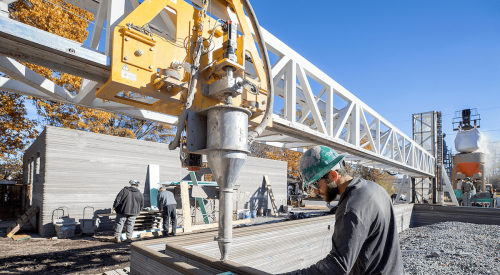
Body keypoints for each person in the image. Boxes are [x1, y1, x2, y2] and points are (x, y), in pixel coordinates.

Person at [286, 145, 404, 274]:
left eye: (316, 183)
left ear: (333, 175)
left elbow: (337, 267)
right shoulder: (376, 189)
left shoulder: (351, 208)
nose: (315, 191)